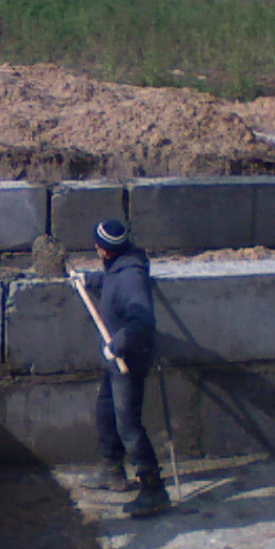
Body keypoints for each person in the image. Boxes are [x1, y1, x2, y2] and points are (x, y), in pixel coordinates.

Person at [75, 218, 170, 517]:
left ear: (104, 250)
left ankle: (154, 490)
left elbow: (142, 323)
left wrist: (116, 345)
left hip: (128, 358)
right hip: (116, 359)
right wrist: (88, 280)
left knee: (128, 424)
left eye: (97, 247)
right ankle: (112, 471)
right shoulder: (120, 266)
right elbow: (110, 282)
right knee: (106, 410)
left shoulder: (131, 277)